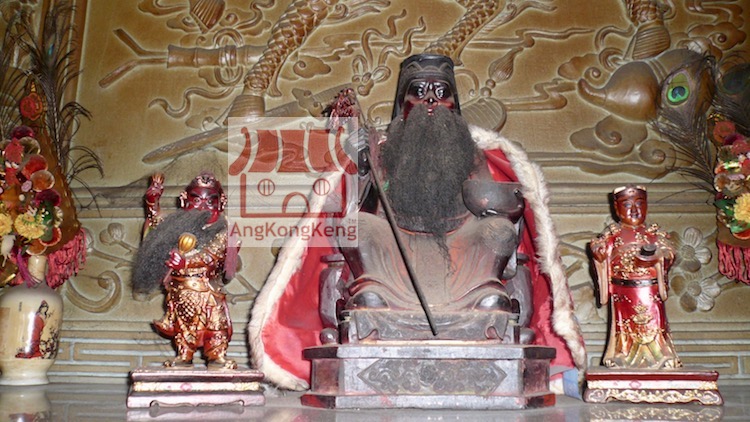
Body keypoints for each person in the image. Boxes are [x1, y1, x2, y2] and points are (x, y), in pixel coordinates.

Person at [249, 54, 586, 390]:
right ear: (404, 101)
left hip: (461, 244)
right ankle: (376, 295)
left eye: (440, 92)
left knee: (498, 232)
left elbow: (493, 201)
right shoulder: (384, 149)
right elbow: (364, 209)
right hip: (396, 247)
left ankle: (482, 296)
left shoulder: (473, 152)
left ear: (454, 102)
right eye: (419, 91)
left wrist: (500, 207)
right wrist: (364, 167)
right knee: (360, 228)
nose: (430, 100)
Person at [132, 172, 238, 369]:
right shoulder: (175, 225)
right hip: (180, 290)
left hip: (209, 290)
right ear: (184, 201)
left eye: (210, 202)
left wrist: (185, 263)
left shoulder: (224, 230)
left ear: (221, 203)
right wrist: (152, 202)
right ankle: (184, 355)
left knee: (216, 325)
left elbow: (212, 256)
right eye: (196, 201)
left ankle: (217, 356)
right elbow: (155, 222)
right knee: (184, 326)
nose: (203, 207)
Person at [590, 185, 682, 369]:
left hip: (649, 291)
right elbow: (600, 252)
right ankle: (622, 356)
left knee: (654, 324)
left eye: (639, 204)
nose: (634, 210)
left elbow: (669, 252)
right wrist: (599, 252)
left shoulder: (654, 234)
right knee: (624, 328)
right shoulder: (613, 235)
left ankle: (661, 357)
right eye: (627, 205)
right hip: (622, 292)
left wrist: (659, 256)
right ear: (617, 209)